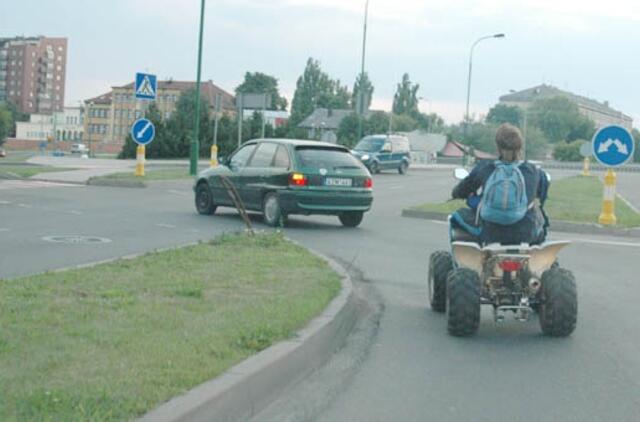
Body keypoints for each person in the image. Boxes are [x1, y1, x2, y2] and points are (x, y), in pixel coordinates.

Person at [451, 123, 548, 245]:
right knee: (542, 217)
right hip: (525, 234)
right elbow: (543, 195)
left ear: (497, 146)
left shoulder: (485, 167)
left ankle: (461, 261)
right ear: (520, 146)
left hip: (491, 233)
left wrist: (457, 193)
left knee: (457, 216)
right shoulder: (532, 170)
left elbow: (462, 190)